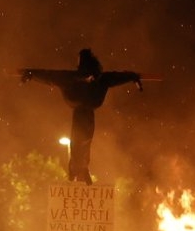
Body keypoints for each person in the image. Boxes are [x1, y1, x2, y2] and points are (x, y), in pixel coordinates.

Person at [19, 49, 141, 178]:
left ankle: (79, 167)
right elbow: (49, 76)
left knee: (82, 140)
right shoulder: (77, 79)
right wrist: (32, 74)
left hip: (84, 109)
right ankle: (79, 167)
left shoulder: (96, 79)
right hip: (84, 108)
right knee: (82, 140)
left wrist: (132, 77)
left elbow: (49, 76)